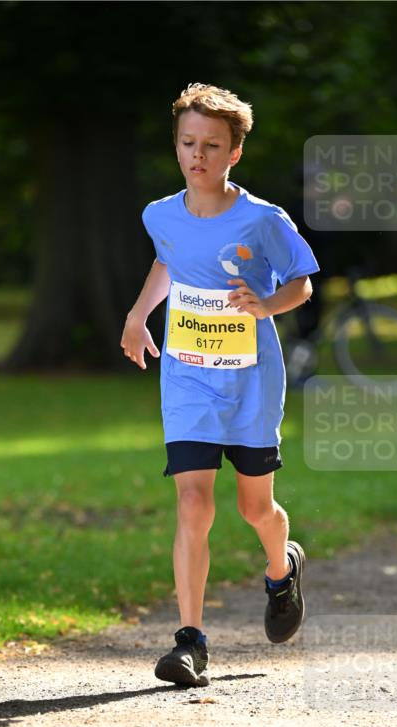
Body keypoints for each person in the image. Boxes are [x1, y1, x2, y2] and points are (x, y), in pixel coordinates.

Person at [120, 82, 320, 688]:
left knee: (254, 506)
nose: (197, 155)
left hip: (251, 382)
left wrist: (265, 306)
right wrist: (137, 315)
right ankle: (190, 642)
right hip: (187, 379)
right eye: (187, 143)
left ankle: (281, 569)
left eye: (211, 145)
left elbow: (302, 284)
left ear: (234, 151)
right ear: (176, 146)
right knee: (193, 501)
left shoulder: (263, 220)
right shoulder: (160, 214)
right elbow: (169, 260)